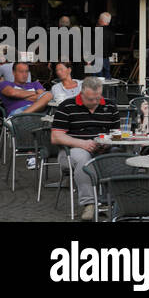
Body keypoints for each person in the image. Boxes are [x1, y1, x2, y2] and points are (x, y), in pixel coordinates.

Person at [50, 77, 120, 220]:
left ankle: (117, 202)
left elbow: (116, 134)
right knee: (84, 159)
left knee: (120, 157)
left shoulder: (110, 106)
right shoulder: (67, 106)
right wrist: (82, 143)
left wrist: (107, 143)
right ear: (81, 93)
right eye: (90, 99)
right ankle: (90, 204)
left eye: (97, 98)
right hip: (72, 150)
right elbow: (56, 137)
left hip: (102, 149)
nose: (95, 102)